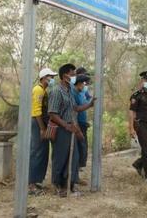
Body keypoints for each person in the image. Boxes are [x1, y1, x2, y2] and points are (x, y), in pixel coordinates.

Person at [48, 63, 95, 195]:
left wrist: (89, 105)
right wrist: (66, 125)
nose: (75, 77)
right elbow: (52, 113)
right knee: (60, 157)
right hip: (62, 129)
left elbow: (75, 109)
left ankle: (69, 184)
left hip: (71, 128)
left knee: (73, 158)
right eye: (73, 74)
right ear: (65, 76)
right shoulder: (57, 91)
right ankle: (58, 185)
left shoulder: (69, 91)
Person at [29, 68, 57, 194]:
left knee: (43, 151)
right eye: (50, 77)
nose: (52, 79)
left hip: (42, 123)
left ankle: (37, 180)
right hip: (37, 123)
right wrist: (42, 129)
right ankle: (31, 184)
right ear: (43, 77)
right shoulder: (38, 90)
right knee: (37, 151)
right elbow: (36, 111)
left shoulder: (44, 91)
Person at [71, 71, 92, 184]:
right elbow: (76, 110)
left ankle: (76, 176)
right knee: (78, 150)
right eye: (83, 83)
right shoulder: (73, 93)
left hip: (82, 124)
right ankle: (74, 177)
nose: (85, 86)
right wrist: (77, 127)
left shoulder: (81, 92)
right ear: (79, 83)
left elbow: (86, 101)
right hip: (77, 124)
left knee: (82, 150)